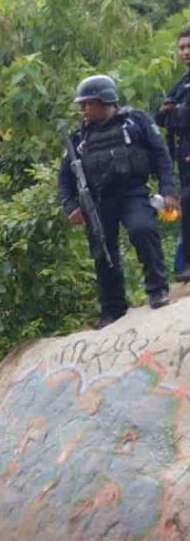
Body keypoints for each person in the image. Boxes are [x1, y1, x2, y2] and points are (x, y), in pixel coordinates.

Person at [59, 75, 178, 327]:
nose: (83, 109)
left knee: (142, 230)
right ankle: (113, 309)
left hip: (132, 191)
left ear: (105, 101)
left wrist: (168, 190)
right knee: (103, 252)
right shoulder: (80, 137)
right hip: (99, 201)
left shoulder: (136, 122)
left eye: (88, 104)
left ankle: (158, 289)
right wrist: (70, 206)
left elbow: (161, 155)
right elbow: (64, 177)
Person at [158, 26, 190, 282]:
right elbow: (161, 117)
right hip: (184, 153)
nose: (186, 52)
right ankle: (184, 266)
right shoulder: (180, 86)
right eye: (181, 47)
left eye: (189, 47)